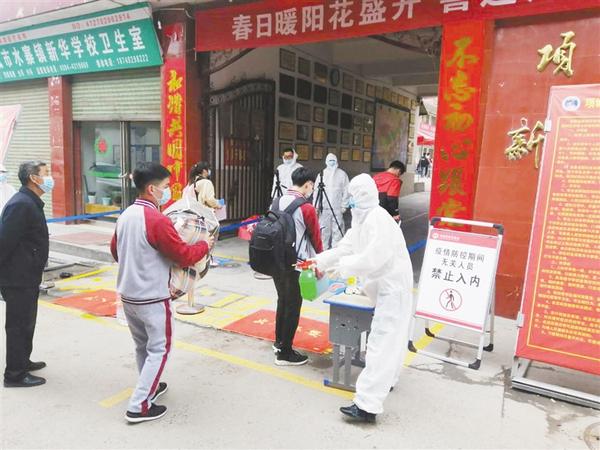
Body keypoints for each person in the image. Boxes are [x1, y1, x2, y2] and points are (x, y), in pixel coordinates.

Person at [110, 162, 214, 423]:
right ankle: (140, 405)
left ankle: (151, 387)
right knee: (159, 348)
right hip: (153, 297)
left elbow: (115, 251)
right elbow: (183, 254)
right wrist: (205, 244)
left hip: (128, 295)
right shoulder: (157, 220)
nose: (168, 191)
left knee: (142, 346)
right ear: (151, 189)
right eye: (166, 186)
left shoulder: (126, 215)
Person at [311, 174, 413, 423]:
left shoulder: (378, 219)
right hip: (384, 288)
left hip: (393, 289)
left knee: (380, 343)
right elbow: (345, 248)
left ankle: (367, 405)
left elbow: (372, 258)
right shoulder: (361, 220)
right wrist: (318, 262)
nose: (350, 201)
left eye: (353, 196)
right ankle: (388, 380)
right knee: (392, 341)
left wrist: (341, 269)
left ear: (363, 196)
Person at [0, 161, 52, 388]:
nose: (50, 178)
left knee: (27, 322)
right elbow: (4, 242)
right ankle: (14, 375)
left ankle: (23, 361)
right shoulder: (21, 204)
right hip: (17, 278)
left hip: (27, 275)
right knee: (18, 325)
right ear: (34, 178)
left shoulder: (30, 201)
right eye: (46, 173)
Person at [271, 167, 322, 366]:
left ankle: (279, 342)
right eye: (312, 186)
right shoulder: (307, 208)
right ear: (308, 184)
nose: (312, 190)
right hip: (296, 263)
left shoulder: (276, 201)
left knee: (282, 299)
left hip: (276, 260)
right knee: (293, 305)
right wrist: (320, 261)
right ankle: (285, 354)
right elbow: (316, 238)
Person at [314, 153, 350, 249]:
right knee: (323, 231)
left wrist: (344, 205)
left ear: (336, 161)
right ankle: (323, 251)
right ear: (326, 161)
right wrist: (316, 206)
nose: (331, 162)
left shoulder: (342, 174)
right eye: (330, 160)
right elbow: (316, 192)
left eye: (333, 160)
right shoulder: (321, 174)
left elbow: (346, 191)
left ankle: (336, 251)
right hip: (324, 208)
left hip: (337, 208)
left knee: (338, 230)